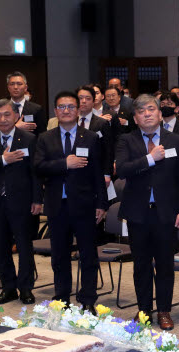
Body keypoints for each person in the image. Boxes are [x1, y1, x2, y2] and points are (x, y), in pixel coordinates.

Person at [114, 94, 179, 330]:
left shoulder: (176, 140)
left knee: (165, 263)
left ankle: (164, 310)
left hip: (166, 212)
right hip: (138, 212)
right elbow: (123, 171)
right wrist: (150, 158)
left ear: (160, 114)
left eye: (151, 109)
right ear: (135, 118)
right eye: (141, 111)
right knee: (141, 264)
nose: (147, 114)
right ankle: (144, 309)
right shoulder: (125, 141)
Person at [33, 91, 108, 311]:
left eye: (71, 107)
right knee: (60, 255)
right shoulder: (45, 138)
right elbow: (38, 167)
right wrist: (64, 163)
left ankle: (88, 300)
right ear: (56, 111)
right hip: (57, 205)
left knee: (88, 255)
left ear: (79, 110)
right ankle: (62, 298)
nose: (66, 111)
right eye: (62, 107)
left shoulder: (91, 137)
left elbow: (98, 173)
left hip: (85, 205)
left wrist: (101, 204)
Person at [0, 99, 41, 305]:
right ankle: (9, 288)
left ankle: (26, 288)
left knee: (24, 246)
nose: (2, 119)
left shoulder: (29, 138)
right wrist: (3, 160)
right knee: (1, 247)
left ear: (16, 116)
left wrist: (37, 199)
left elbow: (36, 173)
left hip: (22, 201)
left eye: (6, 115)